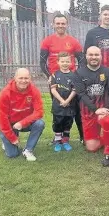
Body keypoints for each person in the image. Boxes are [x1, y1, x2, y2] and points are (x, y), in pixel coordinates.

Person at [40, 13, 84, 143]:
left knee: (76, 109)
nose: (60, 25)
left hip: (71, 81)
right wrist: (49, 76)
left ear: (67, 24)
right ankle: (58, 136)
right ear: (53, 25)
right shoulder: (47, 41)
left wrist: (77, 76)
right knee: (58, 109)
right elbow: (42, 63)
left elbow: (82, 60)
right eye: (58, 23)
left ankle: (83, 136)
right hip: (55, 82)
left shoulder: (73, 41)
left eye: (63, 23)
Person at [84, 4, 109, 143]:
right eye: (105, 14)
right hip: (94, 73)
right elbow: (85, 54)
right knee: (95, 100)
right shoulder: (92, 33)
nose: (107, 17)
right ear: (100, 16)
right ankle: (94, 131)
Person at [74, 46, 109, 167]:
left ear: (101, 56)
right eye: (91, 55)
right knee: (91, 148)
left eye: (96, 55)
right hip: (89, 112)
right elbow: (81, 93)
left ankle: (108, 152)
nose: (94, 57)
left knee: (107, 119)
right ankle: (107, 136)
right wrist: (96, 109)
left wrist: (107, 108)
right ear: (86, 56)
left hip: (105, 111)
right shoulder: (78, 73)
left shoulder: (108, 72)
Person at [0, 68, 45, 161]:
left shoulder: (34, 91)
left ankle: (28, 150)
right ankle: (7, 142)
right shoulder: (5, 93)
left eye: (26, 78)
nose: (23, 81)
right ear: (15, 78)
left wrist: (22, 123)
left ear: (30, 78)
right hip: (9, 124)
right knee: (12, 154)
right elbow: (2, 119)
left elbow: (39, 112)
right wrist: (12, 138)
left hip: (23, 123)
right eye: (21, 78)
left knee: (40, 123)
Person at [50, 52, 77, 152]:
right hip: (58, 106)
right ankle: (57, 142)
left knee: (67, 124)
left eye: (67, 61)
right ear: (58, 62)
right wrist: (62, 101)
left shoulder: (74, 75)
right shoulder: (55, 75)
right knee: (58, 124)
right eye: (62, 61)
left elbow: (75, 90)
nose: (65, 63)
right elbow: (53, 90)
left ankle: (65, 141)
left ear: (71, 62)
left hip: (70, 105)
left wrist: (67, 101)